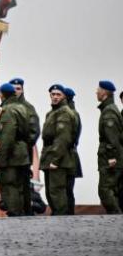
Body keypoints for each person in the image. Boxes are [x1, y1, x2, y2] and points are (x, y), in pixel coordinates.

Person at [40, 84, 75, 216]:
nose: (55, 97)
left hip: (59, 159)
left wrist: (55, 160)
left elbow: (63, 139)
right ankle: (57, 217)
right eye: (53, 94)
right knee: (51, 192)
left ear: (64, 96)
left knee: (57, 192)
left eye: (58, 94)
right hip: (50, 156)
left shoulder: (64, 113)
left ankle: (61, 220)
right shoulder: (52, 112)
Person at [0, 82, 31, 216]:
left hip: (12, 155)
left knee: (10, 184)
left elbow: (7, 137)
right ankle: (21, 212)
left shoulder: (8, 111)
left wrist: (3, 159)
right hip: (22, 153)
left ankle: (14, 213)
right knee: (20, 186)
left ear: (2, 95)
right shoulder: (22, 108)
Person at [9, 78, 40, 215]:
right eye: (13, 89)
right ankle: (14, 210)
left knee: (23, 184)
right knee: (11, 183)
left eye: (18, 89)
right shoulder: (6, 107)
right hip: (9, 153)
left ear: (22, 90)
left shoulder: (28, 108)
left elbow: (34, 131)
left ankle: (25, 211)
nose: (16, 91)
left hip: (23, 153)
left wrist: (25, 146)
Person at [95, 80, 122, 214]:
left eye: (98, 90)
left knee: (105, 191)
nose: (96, 92)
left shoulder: (109, 112)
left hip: (109, 159)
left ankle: (117, 219)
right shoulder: (109, 109)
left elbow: (112, 137)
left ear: (104, 93)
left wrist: (111, 157)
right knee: (113, 191)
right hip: (110, 157)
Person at [62, 86, 82, 214]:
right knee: (68, 189)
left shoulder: (68, 113)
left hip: (67, 156)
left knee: (65, 188)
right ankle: (69, 213)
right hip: (71, 155)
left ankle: (67, 214)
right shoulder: (74, 112)